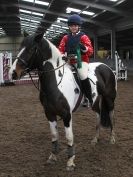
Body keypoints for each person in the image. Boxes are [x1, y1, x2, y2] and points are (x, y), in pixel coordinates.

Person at [58, 14, 94, 106]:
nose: (73, 27)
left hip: (81, 62)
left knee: (82, 75)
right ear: (69, 27)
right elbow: (60, 49)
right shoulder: (65, 38)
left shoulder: (83, 37)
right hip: (69, 62)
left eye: (75, 25)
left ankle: (88, 97)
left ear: (78, 26)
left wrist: (84, 48)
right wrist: (63, 56)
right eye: (71, 26)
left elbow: (90, 51)